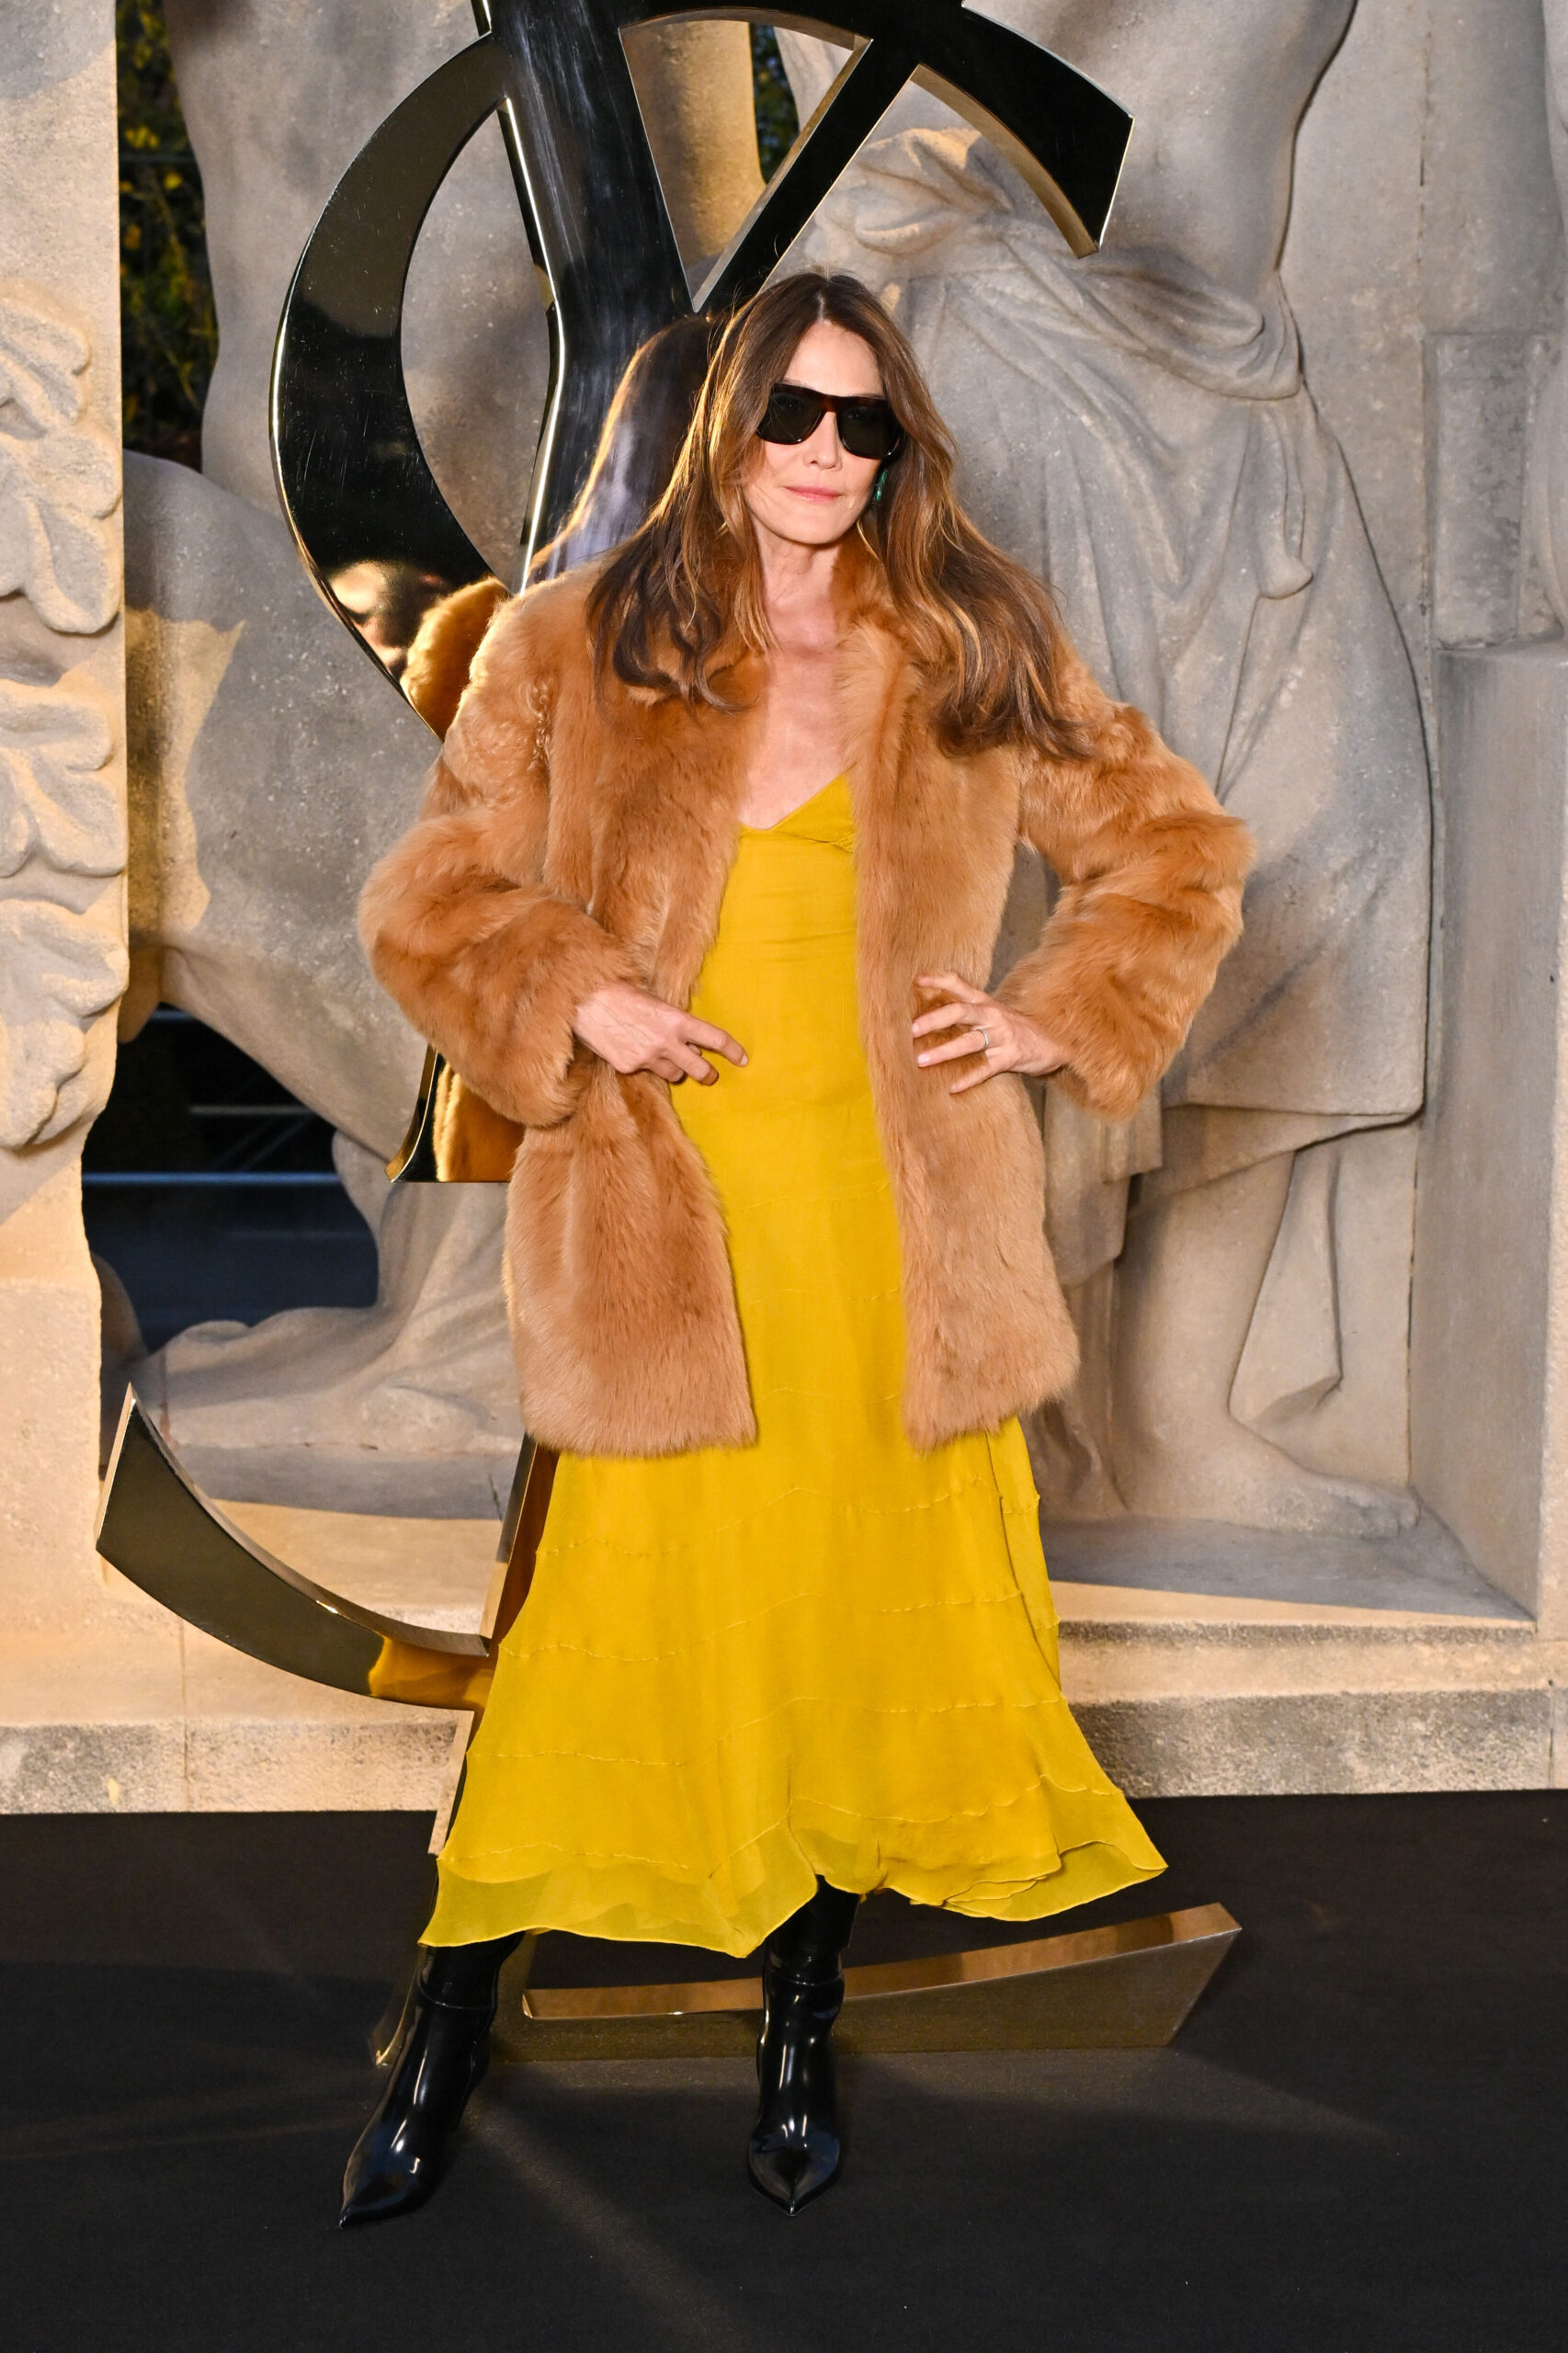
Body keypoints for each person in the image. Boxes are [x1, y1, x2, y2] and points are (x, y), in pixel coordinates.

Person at [347, 268, 1253, 2222]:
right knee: (605, 1628)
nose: (829, 457)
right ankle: (442, 2014)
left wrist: (1054, 1010)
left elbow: (1173, 850)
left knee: (846, 1613)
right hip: (667, 1204)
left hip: (894, 1220)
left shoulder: (968, 637)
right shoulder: (581, 637)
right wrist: (577, 997)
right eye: (795, 418)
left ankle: (797, 2009)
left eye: (868, 426)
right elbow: (429, 896)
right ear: (727, 424)